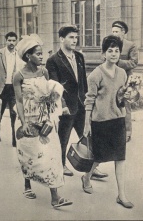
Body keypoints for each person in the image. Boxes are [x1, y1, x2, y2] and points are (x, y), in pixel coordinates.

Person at [13, 34, 72, 208]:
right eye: (38, 54)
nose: (41, 56)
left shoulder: (44, 71)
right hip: (28, 120)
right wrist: (23, 123)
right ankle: (27, 185)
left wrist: (54, 106)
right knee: (29, 155)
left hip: (44, 119)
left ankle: (55, 197)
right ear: (28, 56)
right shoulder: (19, 76)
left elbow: (48, 92)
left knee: (52, 155)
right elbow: (19, 101)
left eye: (41, 53)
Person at [46, 25, 107, 178]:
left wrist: (89, 103)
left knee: (87, 137)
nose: (75, 40)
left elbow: (83, 83)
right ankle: (61, 165)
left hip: (81, 104)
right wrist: (63, 106)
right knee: (63, 139)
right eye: (71, 37)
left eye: (75, 37)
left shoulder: (79, 57)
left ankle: (90, 168)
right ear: (61, 39)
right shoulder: (53, 60)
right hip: (66, 107)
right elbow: (54, 86)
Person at [81, 35, 134, 209]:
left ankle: (122, 195)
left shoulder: (122, 73)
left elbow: (122, 99)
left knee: (120, 158)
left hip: (118, 121)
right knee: (98, 157)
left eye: (117, 51)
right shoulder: (96, 74)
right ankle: (86, 177)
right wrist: (87, 124)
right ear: (103, 54)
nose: (113, 54)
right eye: (110, 51)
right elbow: (89, 100)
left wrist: (127, 97)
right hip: (100, 122)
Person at [0, 32, 24, 147]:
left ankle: (14, 138)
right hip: (1, 87)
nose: (11, 43)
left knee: (14, 113)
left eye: (13, 40)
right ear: (5, 41)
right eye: (9, 40)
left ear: (16, 41)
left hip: (13, 88)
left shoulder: (19, 55)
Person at [112, 21, 138, 142]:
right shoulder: (110, 44)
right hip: (112, 78)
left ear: (123, 32)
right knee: (112, 104)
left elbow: (134, 62)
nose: (114, 34)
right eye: (112, 31)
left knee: (125, 105)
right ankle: (114, 131)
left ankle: (127, 133)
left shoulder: (130, 45)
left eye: (116, 31)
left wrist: (118, 62)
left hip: (127, 80)